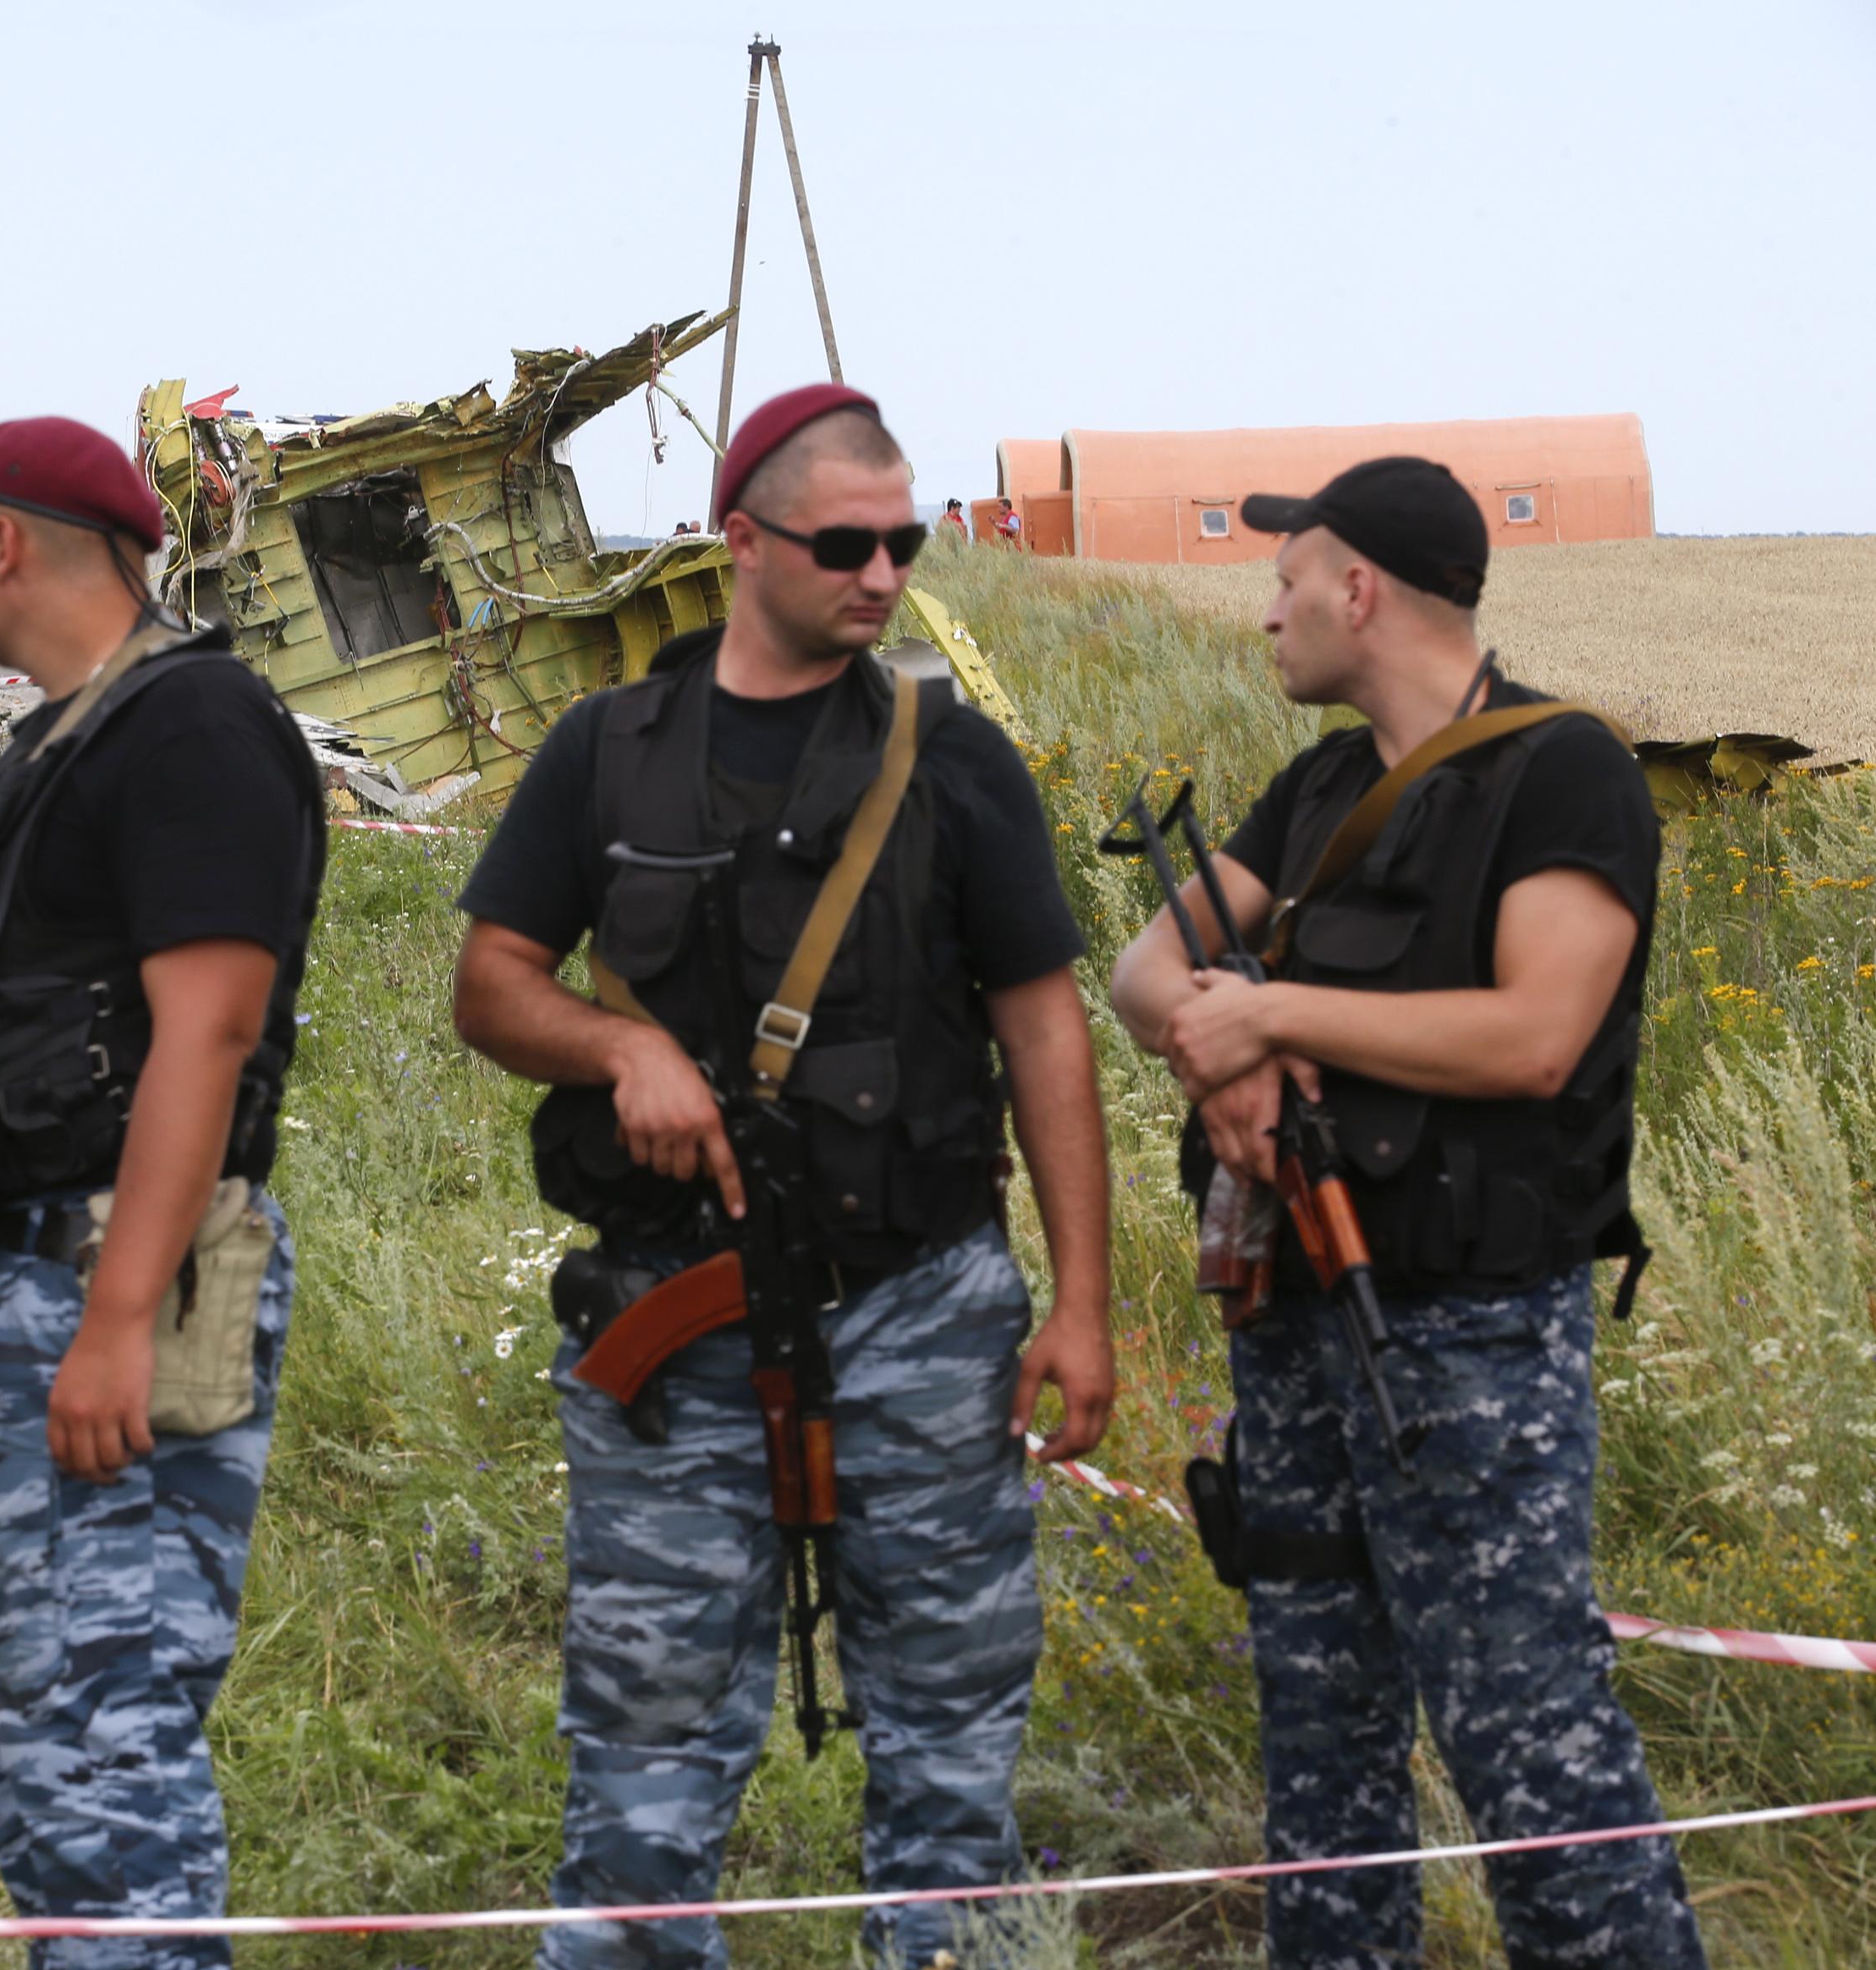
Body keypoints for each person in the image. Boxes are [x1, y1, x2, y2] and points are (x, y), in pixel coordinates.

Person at [452, 382, 1116, 1970]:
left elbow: (1046, 1033)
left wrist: (1083, 1304)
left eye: (906, 539)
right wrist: (623, 1051)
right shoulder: (608, 751)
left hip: (927, 1307)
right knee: (646, 1751)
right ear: (737, 538)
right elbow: (492, 978)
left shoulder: (951, 761)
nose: (885, 573)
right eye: (846, 543)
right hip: (679, 1322)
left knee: (954, 1744)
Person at [1107, 456, 1701, 1969]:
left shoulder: (1565, 771)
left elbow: (1535, 1035)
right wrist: (1223, 1060)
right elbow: (1142, 970)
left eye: (1286, 579)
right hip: (1293, 1308)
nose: (1268, 615)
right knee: (1318, 1733)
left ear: (1358, 587)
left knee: (1526, 1731)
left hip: (1469, 1333)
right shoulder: (1317, 787)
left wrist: (1274, 1013)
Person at [0, 415, 325, 1966]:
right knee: (30, 1723)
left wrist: (117, 1317)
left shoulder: (191, 727)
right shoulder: (66, 732)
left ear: (6, 543)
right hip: (13, 1289)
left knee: (104, 1726)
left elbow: (206, 1035)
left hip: (103, 1280)